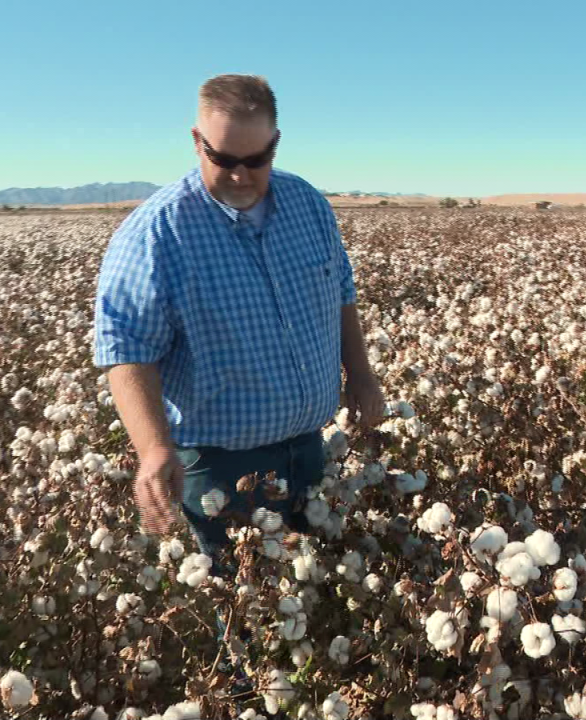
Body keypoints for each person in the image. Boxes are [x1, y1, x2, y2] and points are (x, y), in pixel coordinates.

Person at [92, 73, 385, 684]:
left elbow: (341, 295)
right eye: (224, 158)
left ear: (276, 142)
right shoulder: (156, 234)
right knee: (247, 619)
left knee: (312, 595)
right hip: (219, 466)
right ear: (197, 140)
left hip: (308, 446)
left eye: (257, 158)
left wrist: (360, 376)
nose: (241, 174)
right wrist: (152, 449)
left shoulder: (307, 204)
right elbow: (125, 350)